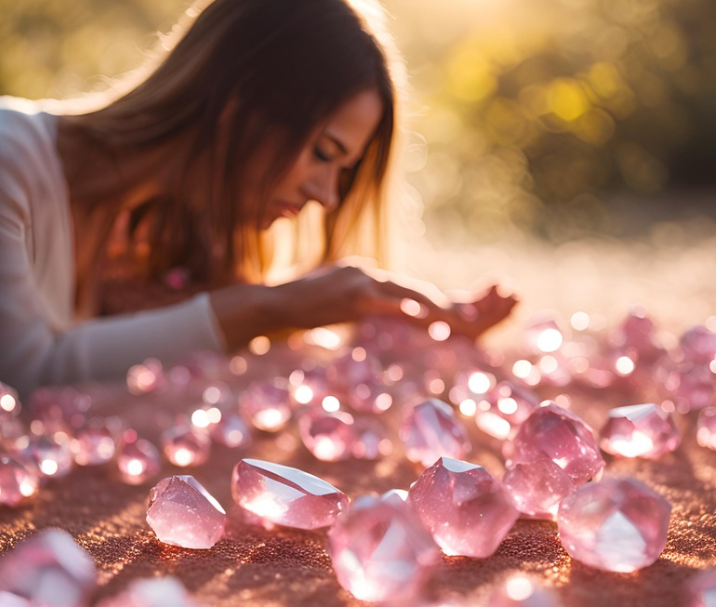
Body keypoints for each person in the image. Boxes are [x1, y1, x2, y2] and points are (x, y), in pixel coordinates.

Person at [0, 0, 517, 398]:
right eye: (322, 152)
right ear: (238, 100)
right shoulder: (9, 161)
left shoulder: (155, 230)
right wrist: (271, 305)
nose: (326, 196)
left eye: (343, 171)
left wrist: (431, 334)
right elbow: (25, 376)